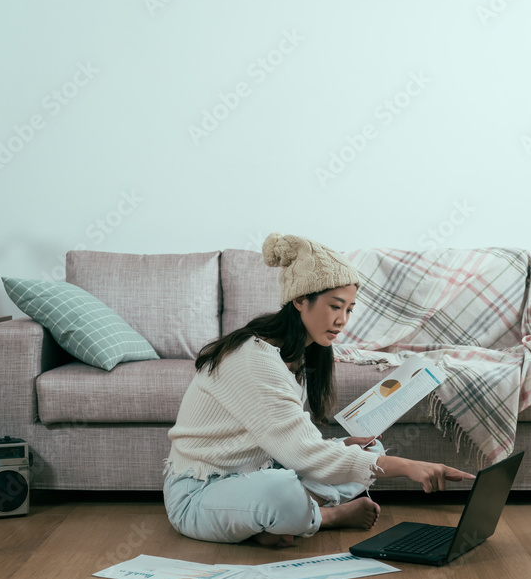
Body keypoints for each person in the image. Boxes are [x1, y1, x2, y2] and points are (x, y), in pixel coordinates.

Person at [163, 233, 474, 547]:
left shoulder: (297, 355)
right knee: (281, 491)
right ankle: (326, 516)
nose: (342, 321)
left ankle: (283, 518)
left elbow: (292, 442)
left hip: (262, 469)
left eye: (349, 310)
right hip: (199, 493)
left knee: (369, 451)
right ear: (300, 300)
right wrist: (408, 467)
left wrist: (346, 447)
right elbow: (304, 454)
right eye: (335, 307)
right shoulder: (254, 360)